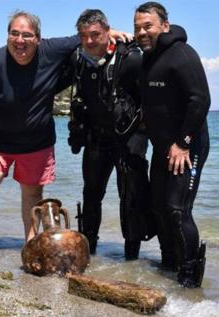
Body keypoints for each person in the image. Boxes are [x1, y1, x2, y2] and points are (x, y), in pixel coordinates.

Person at [0, 10, 132, 268]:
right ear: (8, 35)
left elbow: (86, 36)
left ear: (39, 39)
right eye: (14, 34)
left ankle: (31, 247)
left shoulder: (52, 50)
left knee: (32, 195)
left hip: (37, 141)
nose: (20, 41)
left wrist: (112, 32)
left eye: (27, 35)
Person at [66, 9, 155, 260]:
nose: (90, 41)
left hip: (130, 137)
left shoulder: (132, 59)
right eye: (84, 36)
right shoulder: (78, 60)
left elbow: (155, 94)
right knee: (91, 193)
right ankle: (88, 250)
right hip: (97, 137)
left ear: (108, 31)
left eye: (95, 34)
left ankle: (131, 259)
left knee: (131, 196)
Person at [134, 2, 210, 288]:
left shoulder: (182, 54)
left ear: (164, 25)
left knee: (177, 209)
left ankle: (190, 278)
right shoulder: (149, 57)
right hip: (163, 147)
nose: (142, 32)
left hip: (187, 147)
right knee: (158, 207)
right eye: (138, 27)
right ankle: (169, 265)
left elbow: (200, 99)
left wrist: (183, 143)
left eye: (148, 26)